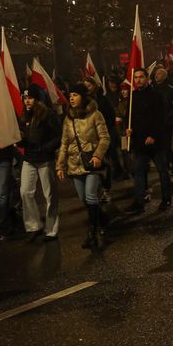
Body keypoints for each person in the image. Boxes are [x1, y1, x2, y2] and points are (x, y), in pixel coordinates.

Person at [57, 82, 110, 250]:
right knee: (84, 199)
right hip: (74, 165)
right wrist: (60, 165)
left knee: (90, 196)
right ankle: (102, 219)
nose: (71, 98)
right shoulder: (68, 119)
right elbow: (64, 144)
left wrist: (97, 155)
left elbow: (105, 138)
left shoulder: (95, 115)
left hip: (92, 164)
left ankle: (92, 234)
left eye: (75, 95)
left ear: (83, 97)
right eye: (70, 95)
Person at [125, 67, 172, 214]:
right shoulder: (132, 97)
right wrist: (128, 129)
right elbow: (129, 116)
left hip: (156, 141)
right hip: (139, 141)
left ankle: (166, 199)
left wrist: (153, 135)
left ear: (147, 79)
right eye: (136, 77)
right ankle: (139, 201)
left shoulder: (156, 96)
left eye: (141, 77)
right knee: (138, 172)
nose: (138, 80)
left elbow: (161, 118)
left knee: (162, 171)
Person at [18, 90, 61, 241]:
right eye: (25, 98)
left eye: (30, 98)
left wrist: (46, 148)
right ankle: (33, 225)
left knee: (49, 195)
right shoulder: (24, 116)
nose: (27, 101)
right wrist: (19, 140)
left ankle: (51, 229)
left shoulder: (48, 115)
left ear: (38, 100)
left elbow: (58, 135)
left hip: (45, 160)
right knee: (25, 192)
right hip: (29, 159)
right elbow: (23, 137)